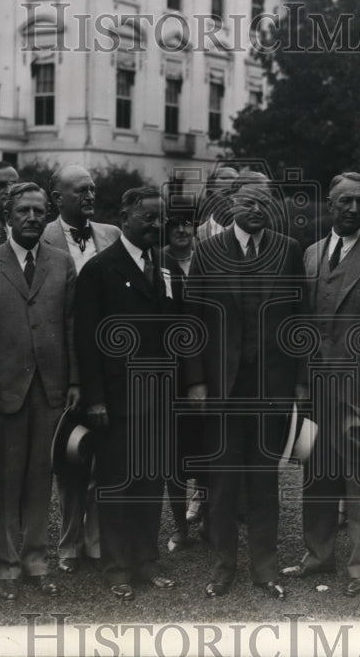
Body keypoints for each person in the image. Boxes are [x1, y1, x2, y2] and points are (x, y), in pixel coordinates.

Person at [186, 171, 306, 600]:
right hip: (223, 388)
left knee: (264, 483)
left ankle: (265, 568)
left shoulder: (287, 250)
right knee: (221, 484)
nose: (257, 210)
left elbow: (298, 321)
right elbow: (194, 323)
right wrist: (197, 382)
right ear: (232, 205)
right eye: (249, 202)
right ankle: (222, 567)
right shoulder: (208, 251)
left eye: (264, 203)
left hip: (270, 387)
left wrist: (299, 384)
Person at [281, 171, 360, 597]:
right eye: (346, 201)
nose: (354, 208)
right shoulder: (311, 254)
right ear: (330, 205)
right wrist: (299, 384)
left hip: (357, 390)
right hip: (315, 388)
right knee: (316, 474)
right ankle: (318, 555)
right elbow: (301, 325)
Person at [0, 182, 75, 601]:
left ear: (47, 216)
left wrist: (74, 382)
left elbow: (71, 328)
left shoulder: (61, 264)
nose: (30, 218)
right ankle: (6, 567)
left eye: (38, 211)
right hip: (3, 391)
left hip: (50, 390)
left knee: (41, 480)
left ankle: (37, 562)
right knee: (5, 482)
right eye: (22, 210)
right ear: (7, 216)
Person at [74, 187, 178, 601]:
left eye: (160, 219)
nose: (156, 225)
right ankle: (116, 569)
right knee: (117, 483)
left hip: (158, 397)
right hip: (116, 401)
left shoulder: (165, 267)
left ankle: (146, 561)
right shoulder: (100, 270)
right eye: (148, 218)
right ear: (125, 216)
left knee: (151, 481)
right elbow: (86, 341)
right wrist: (95, 399)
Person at [42, 165, 120, 574]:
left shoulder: (111, 235)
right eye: (79, 191)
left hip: (104, 361)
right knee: (70, 455)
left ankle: (96, 541)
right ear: (58, 198)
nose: (89, 196)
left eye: (92, 189)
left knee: (103, 453)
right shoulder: (43, 236)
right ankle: (68, 544)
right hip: (62, 363)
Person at [159, 210, 203, 551]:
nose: (181, 230)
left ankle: (207, 517)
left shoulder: (211, 259)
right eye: (174, 225)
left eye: (187, 223)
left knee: (209, 449)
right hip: (172, 372)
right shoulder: (157, 263)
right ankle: (179, 526)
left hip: (208, 369)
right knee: (173, 454)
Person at [195, 165, 239, 241]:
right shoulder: (198, 235)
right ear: (210, 195)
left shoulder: (251, 233)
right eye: (226, 193)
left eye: (235, 193)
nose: (232, 198)